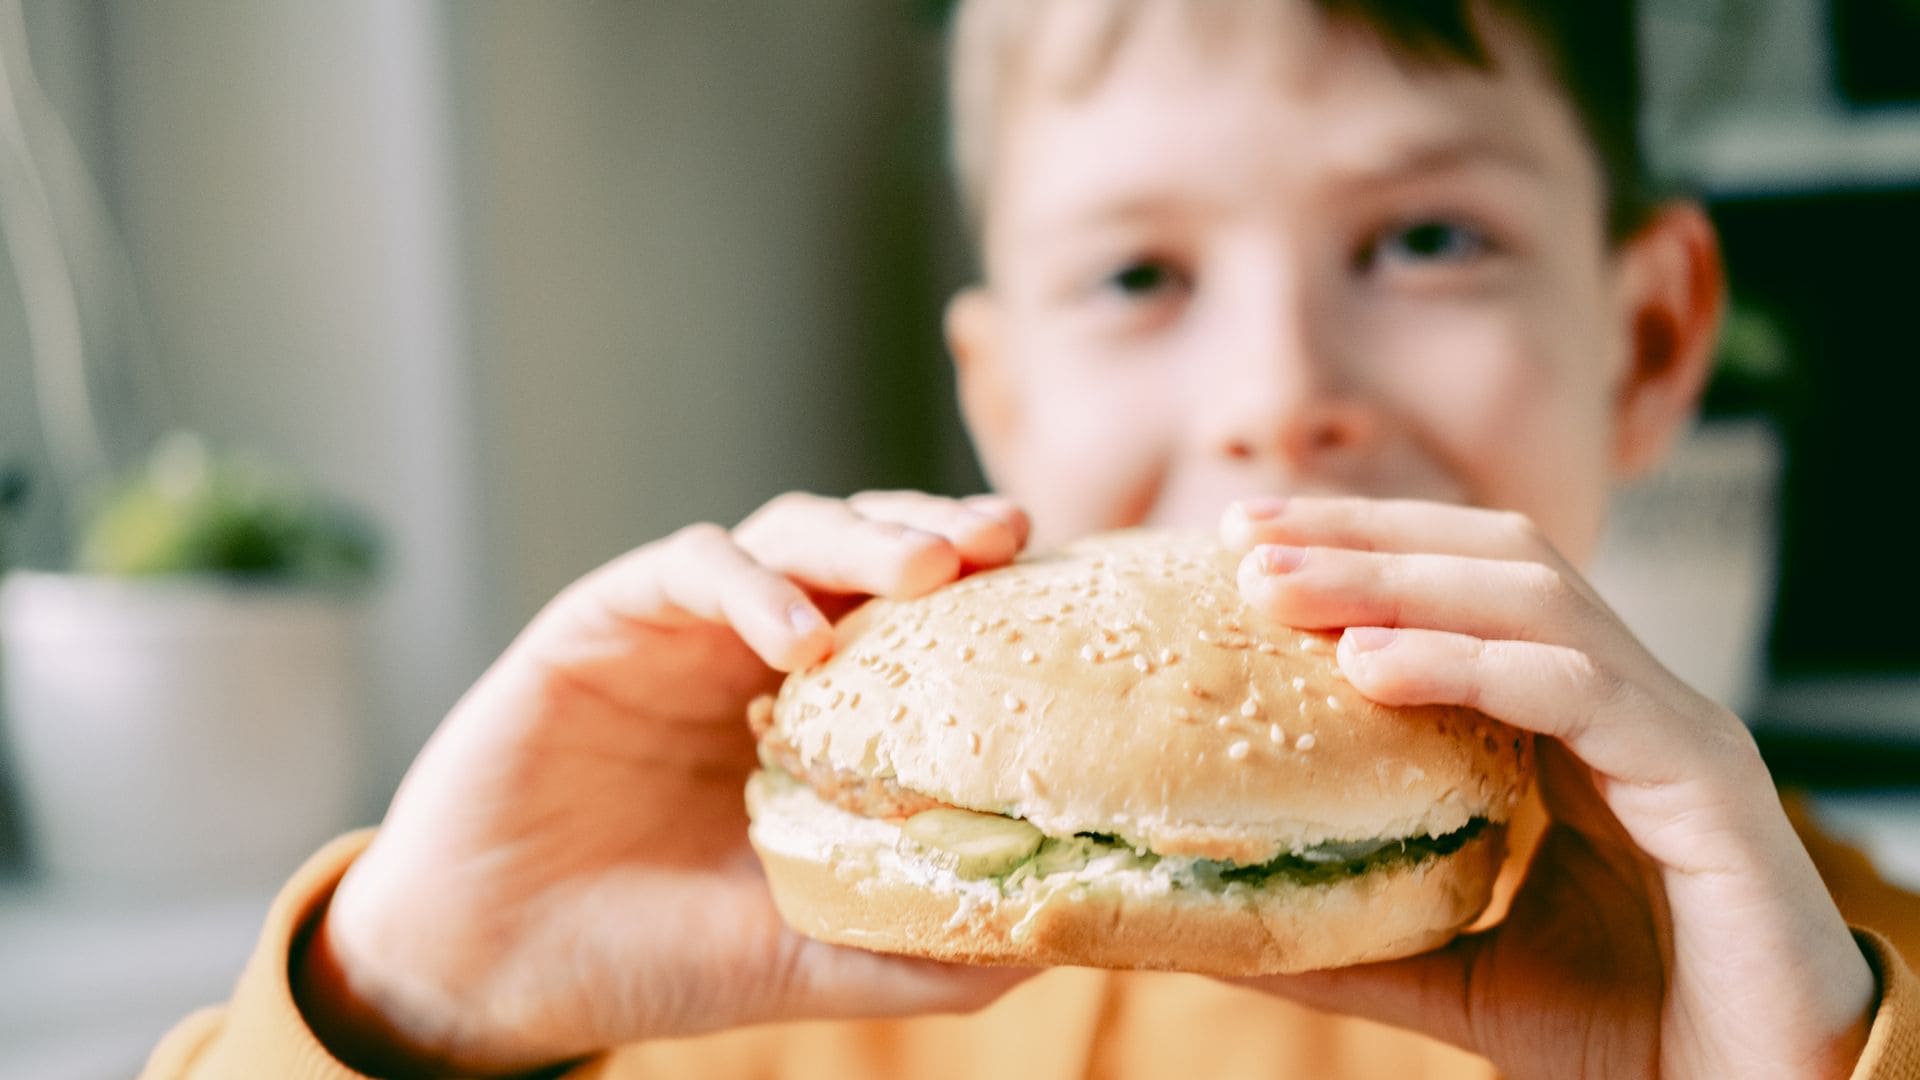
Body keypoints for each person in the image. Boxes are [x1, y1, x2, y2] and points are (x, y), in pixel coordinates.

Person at [144, 1, 1920, 1076]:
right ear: (997, 395)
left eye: (1428, 242)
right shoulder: (718, 976)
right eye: (1139, 275)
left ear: (1658, 337)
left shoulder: (1823, 980)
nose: (1274, 395)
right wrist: (415, 997)